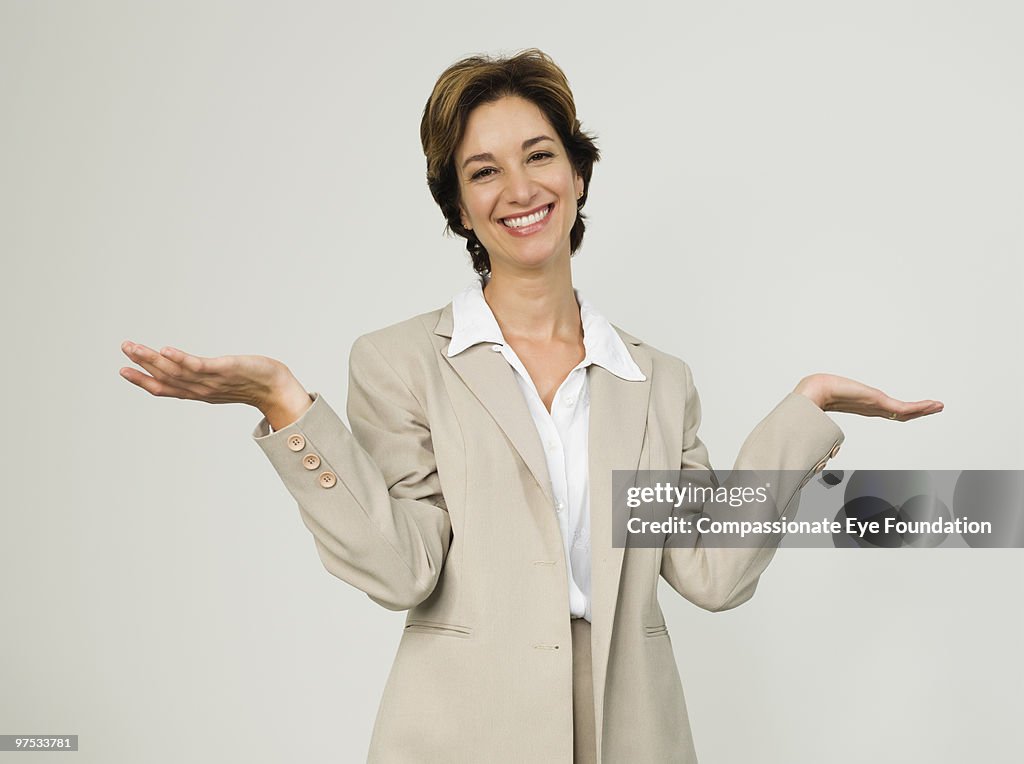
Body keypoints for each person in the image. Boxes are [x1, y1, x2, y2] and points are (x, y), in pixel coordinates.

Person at [118, 48, 943, 764]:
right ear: (462, 206)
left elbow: (711, 570)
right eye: (484, 170)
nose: (520, 188)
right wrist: (285, 404)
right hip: (458, 736)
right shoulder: (401, 362)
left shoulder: (656, 380)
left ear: (577, 174)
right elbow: (404, 567)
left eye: (539, 155)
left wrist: (803, 412)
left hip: (634, 736)